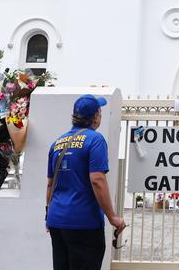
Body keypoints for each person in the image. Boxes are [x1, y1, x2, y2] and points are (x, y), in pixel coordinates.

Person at [46, 94, 125, 270]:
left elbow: (50, 183)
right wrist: (112, 217)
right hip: (84, 223)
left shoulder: (57, 143)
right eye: (100, 112)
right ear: (96, 116)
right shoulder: (95, 140)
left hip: (57, 220)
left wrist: (47, 215)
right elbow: (97, 179)